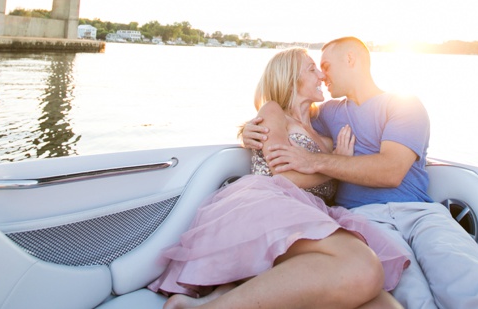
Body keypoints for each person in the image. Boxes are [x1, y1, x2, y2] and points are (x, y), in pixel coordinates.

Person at [241, 37, 478, 309]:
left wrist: (317, 162)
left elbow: (390, 171)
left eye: (326, 65)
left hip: (420, 213)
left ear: (350, 60)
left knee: (467, 277)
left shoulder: (403, 104)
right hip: (362, 220)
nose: (322, 75)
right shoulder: (325, 113)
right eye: (317, 69)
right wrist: (250, 131)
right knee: (410, 294)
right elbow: (287, 118)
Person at [148, 47, 408, 309]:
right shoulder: (274, 112)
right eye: (311, 69)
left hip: (309, 218)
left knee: (384, 303)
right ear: (290, 78)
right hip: (267, 208)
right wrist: (334, 164)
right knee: (362, 267)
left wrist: (338, 160)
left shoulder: (326, 134)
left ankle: (219, 296)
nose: (321, 75)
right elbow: (286, 177)